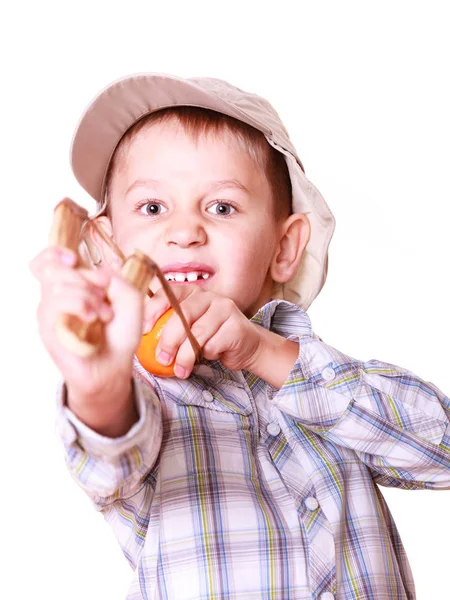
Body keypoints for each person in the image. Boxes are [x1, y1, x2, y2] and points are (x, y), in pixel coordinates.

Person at [30, 73, 450, 600]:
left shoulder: (319, 375)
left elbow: (442, 448)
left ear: (285, 246)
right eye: (153, 208)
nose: (184, 231)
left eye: (221, 207)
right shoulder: (144, 396)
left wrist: (266, 352)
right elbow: (108, 459)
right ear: (107, 247)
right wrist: (97, 384)